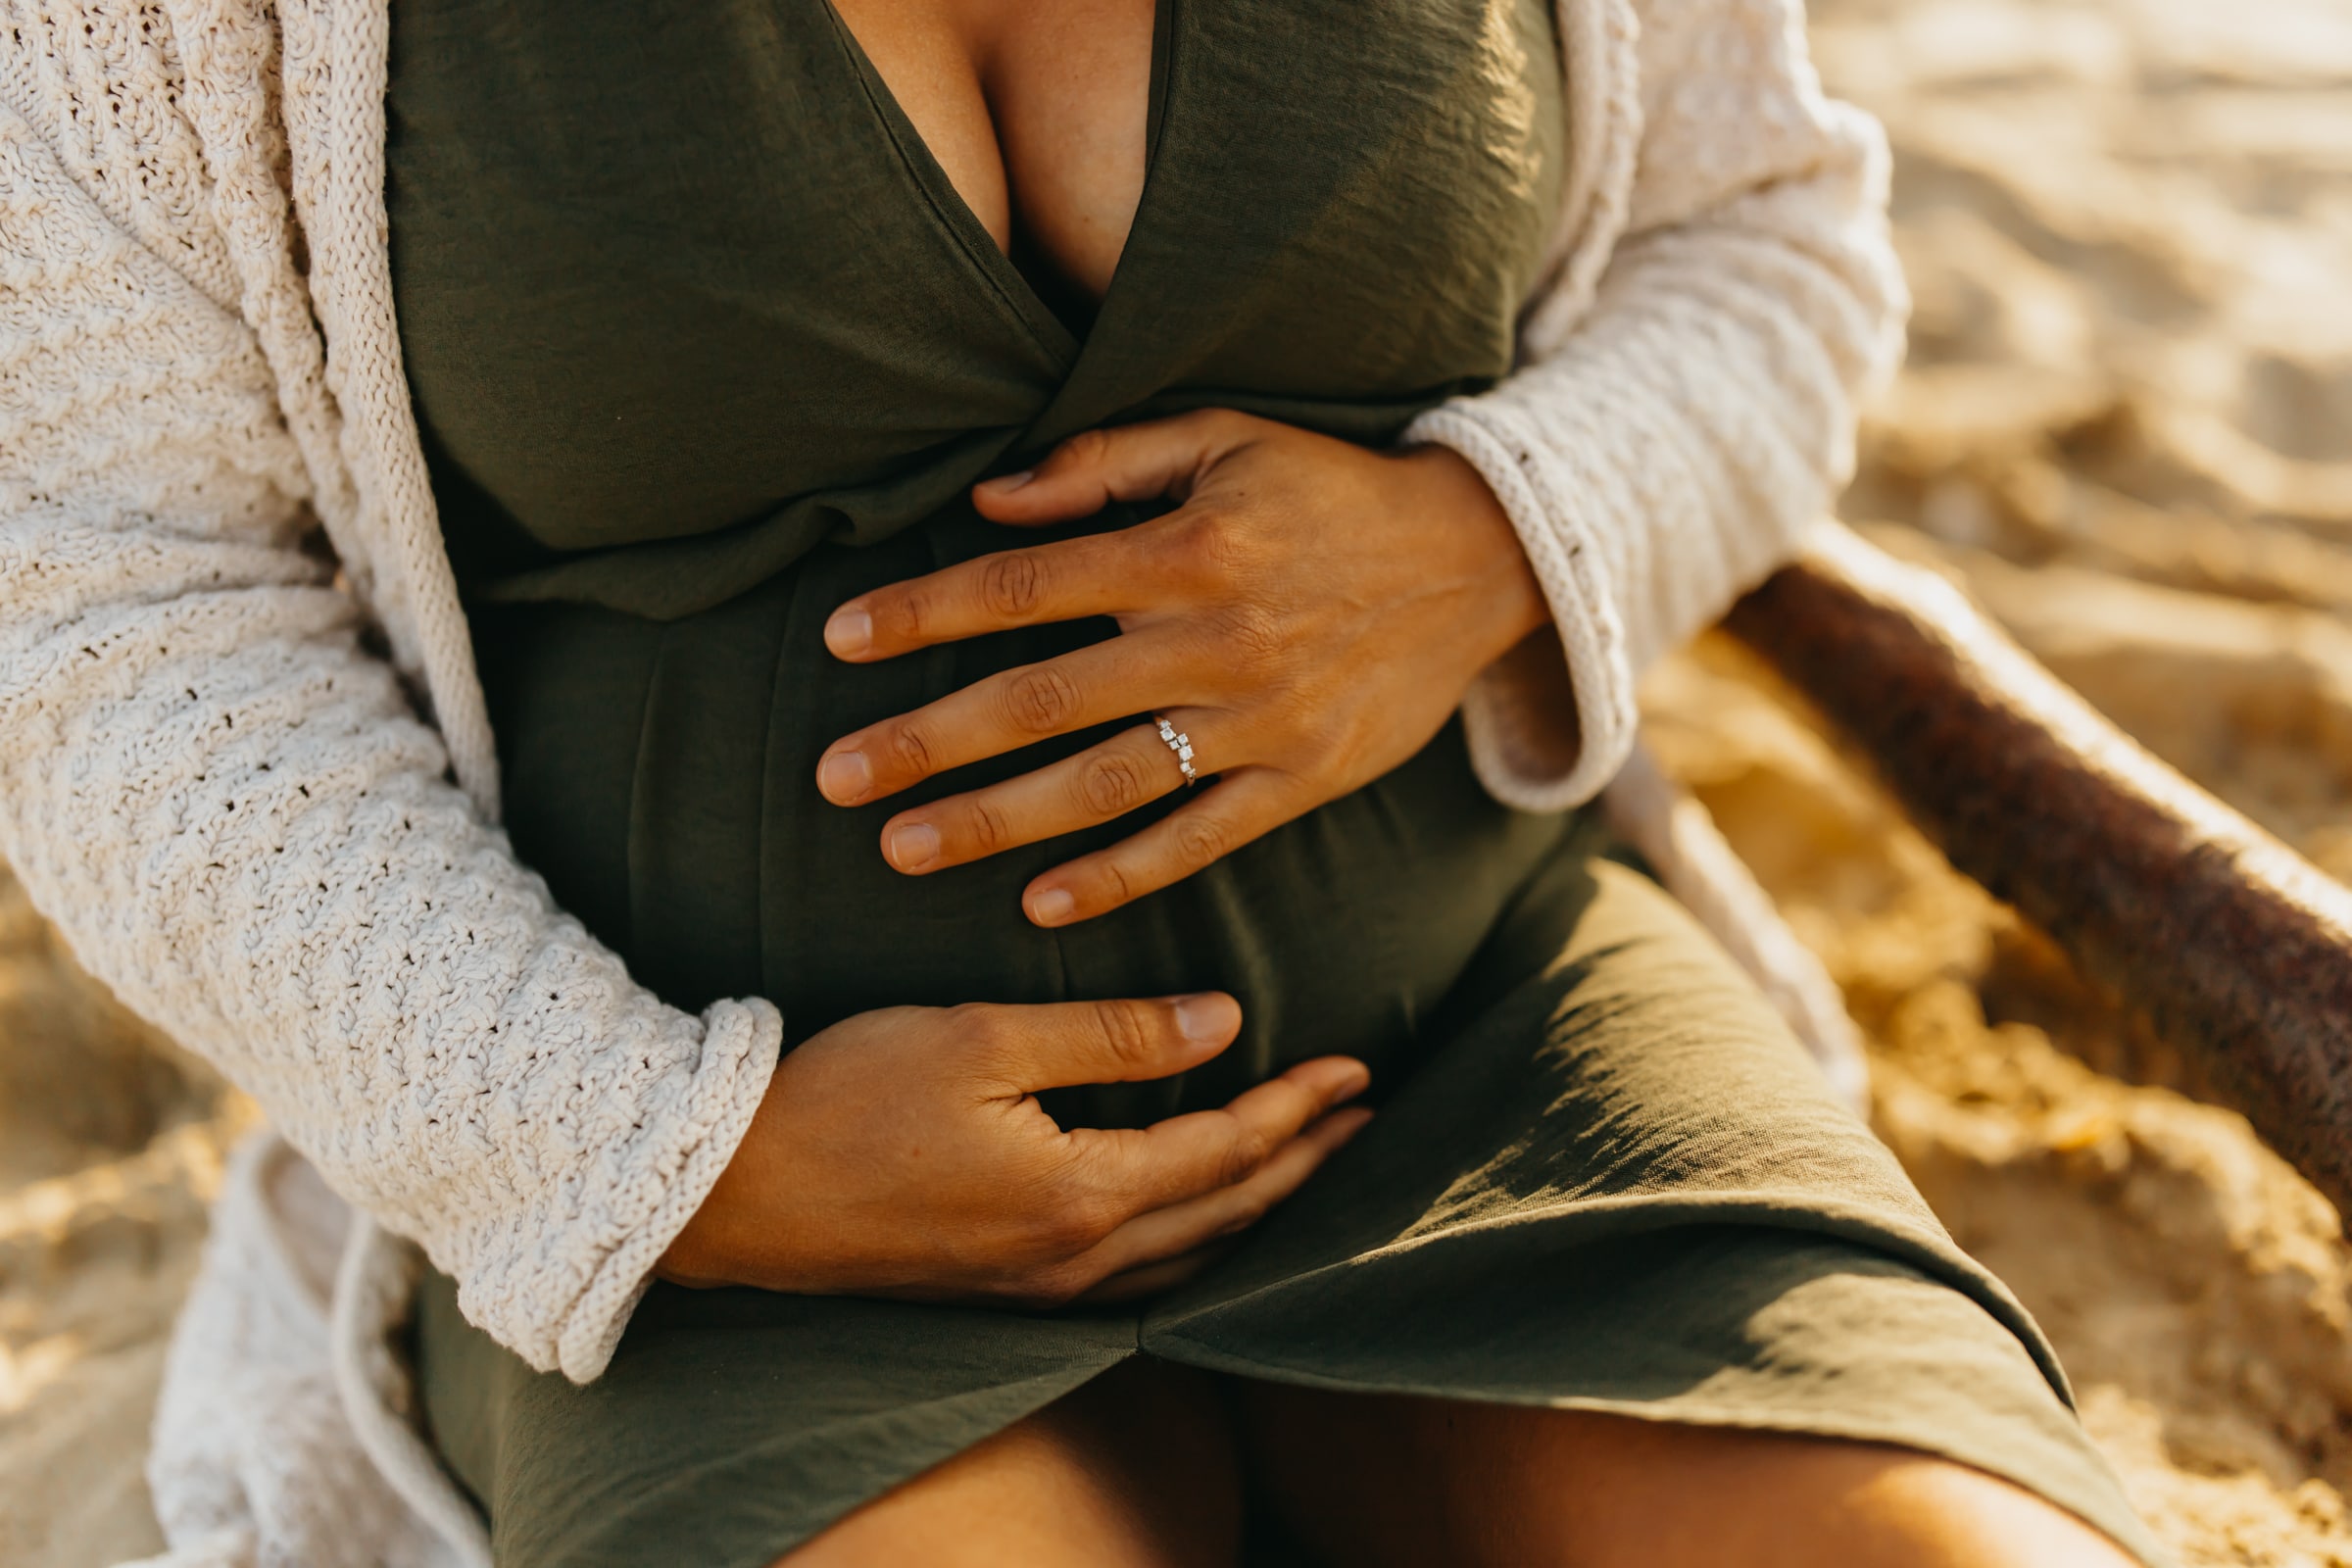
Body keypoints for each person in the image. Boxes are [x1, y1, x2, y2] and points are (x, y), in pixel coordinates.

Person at [0, 0, 2167, 1563]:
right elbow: (105, 607)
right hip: (748, 1236)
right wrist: (653, 1153)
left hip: (1496, 1068)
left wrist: (1498, 538)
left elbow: (1771, 238)